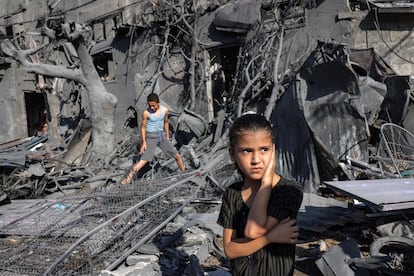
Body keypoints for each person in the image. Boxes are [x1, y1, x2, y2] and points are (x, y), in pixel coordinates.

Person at [217, 113, 303, 275]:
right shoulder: (233, 193)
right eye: (246, 151)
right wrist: (269, 238)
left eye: (264, 149)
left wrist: (266, 184)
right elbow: (230, 250)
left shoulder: (289, 191)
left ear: (273, 150)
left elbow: (253, 230)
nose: (256, 159)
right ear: (232, 154)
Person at [121, 93, 185, 184]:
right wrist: (143, 143)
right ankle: (128, 179)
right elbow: (143, 128)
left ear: (158, 102)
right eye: (150, 106)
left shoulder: (165, 110)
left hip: (161, 136)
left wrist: (167, 135)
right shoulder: (146, 113)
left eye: (153, 105)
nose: (152, 108)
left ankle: (184, 174)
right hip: (151, 137)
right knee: (144, 160)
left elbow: (166, 122)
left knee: (177, 156)